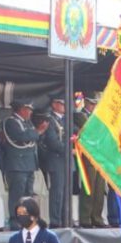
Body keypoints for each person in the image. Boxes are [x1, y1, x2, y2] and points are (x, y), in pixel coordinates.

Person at [1, 102, 45, 230]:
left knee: (28, 194)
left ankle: (27, 220)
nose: (30, 112)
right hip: (17, 165)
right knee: (17, 195)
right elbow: (21, 136)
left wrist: (36, 133)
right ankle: (15, 222)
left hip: (29, 164)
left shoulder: (28, 123)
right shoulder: (11, 121)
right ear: (21, 109)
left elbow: (32, 136)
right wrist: (38, 132)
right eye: (28, 109)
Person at [76, 94, 108, 228]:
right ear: (87, 103)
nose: (94, 106)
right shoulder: (80, 115)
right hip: (89, 157)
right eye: (92, 103)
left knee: (99, 189)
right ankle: (86, 218)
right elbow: (91, 131)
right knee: (89, 188)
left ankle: (97, 217)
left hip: (99, 156)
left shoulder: (98, 117)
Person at [40, 95, 70, 227]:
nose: (64, 106)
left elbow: (75, 134)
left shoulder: (67, 119)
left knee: (66, 194)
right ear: (54, 104)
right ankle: (55, 221)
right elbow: (52, 141)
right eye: (61, 103)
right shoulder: (50, 120)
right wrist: (69, 150)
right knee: (57, 193)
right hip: (57, 160)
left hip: (68, 162)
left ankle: (66, 220)